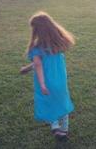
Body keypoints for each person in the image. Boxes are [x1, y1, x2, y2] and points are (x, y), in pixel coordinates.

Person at [19, 12, 74, 141]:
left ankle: (55, 127)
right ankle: (64, 129)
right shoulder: (59, 43)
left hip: (46, 81)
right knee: (62, 102)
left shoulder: (36, 47)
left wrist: (42, 84)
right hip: (60, 80)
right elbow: (41, 62)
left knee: (49, 102)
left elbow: (38, 65)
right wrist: (27, 69)